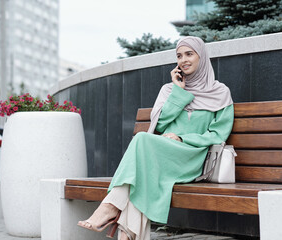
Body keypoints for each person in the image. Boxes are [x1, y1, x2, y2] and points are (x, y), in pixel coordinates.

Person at [77, 36, 234, 240]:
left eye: (189, 54)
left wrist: (183, 138)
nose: (183, 60)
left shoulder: (220, 92)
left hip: (193, 157)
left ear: (201, 57)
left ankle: (110, 206)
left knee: (142, 140)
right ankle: (126, 235)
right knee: (142, 176)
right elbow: (159, 125)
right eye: (179, 56)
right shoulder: (168, 90)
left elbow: (218, 134)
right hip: (165, 155)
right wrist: (178, 93)